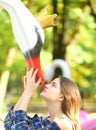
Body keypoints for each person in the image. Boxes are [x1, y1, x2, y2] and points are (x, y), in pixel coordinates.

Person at [4, 67, 81, 130]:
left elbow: (19, 127)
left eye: (53, 85)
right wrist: (25, 92)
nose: (47, 85)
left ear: (61, 97)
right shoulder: (47, 119)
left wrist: (28, 93)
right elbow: (9, 123)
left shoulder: (63, 123)